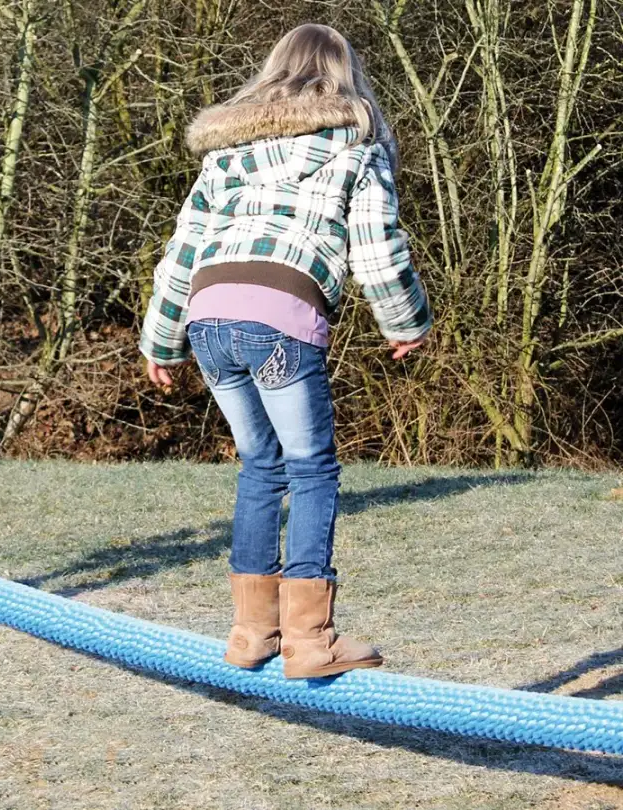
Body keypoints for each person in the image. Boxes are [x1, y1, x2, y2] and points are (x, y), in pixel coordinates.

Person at [139, 24, 432, 678]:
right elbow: (379, 248)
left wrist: (162, 339)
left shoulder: (227, 154)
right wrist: (405, 321)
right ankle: (309, 639)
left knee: (259, 466)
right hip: (280, 317)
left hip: (210, 318)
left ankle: (250, 633)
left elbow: (181, 253)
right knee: (311, 468)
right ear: (344, 77)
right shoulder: (355, 149)